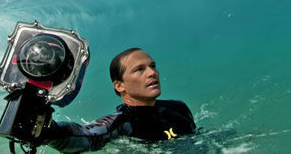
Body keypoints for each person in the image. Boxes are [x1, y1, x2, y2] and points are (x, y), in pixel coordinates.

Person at [37, 47, 196, 152]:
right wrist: (48, 131)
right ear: (119, 86)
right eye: (139, 69)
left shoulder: (179, 108)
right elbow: (85, 135)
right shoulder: (120, 124)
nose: (152, 73)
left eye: (152, 66)